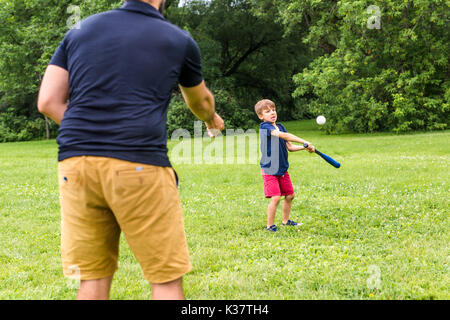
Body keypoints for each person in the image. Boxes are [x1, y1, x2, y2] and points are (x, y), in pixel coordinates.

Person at [37, 0, 224, 300]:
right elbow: (199, 102)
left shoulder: (79, 30)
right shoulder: (177, 39)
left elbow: (47, 101)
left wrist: (91, 131)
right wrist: (212, 119)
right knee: (166, 281)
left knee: (92, 280)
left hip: (76, 165)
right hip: (139, 164)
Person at [254, 99, 315, 233]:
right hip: (269, 169)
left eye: (274, 110)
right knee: (276, 197)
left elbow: (290, 147)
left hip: (282, 168)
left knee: (289, 195)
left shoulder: (280, 126)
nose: (272, 113)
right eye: (267, 111)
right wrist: (304, 141)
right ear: (261, 116)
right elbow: (282, 135)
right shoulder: (265, 127)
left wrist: (304, 147)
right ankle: (270, 226)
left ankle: (286, 221)